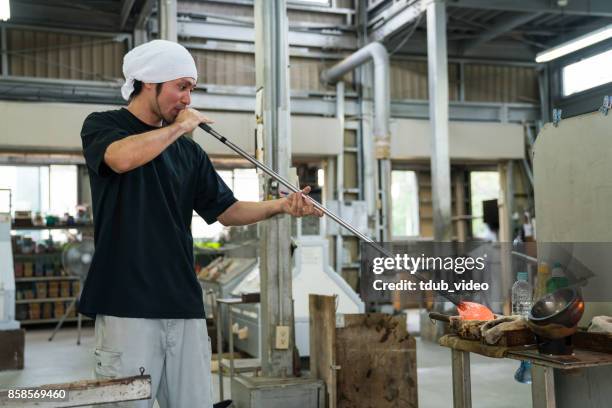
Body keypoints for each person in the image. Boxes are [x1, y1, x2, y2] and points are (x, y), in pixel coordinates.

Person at [79, 39, 322, 408]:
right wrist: (179, 129)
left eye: (191, 89)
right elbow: (120, 159)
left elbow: (226, 209)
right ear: (149, 82)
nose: (187, 100)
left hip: (183, 304)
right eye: (181, 87)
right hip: (125, 304)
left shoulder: (189, 153)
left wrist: (282, 206)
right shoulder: (104, 126)